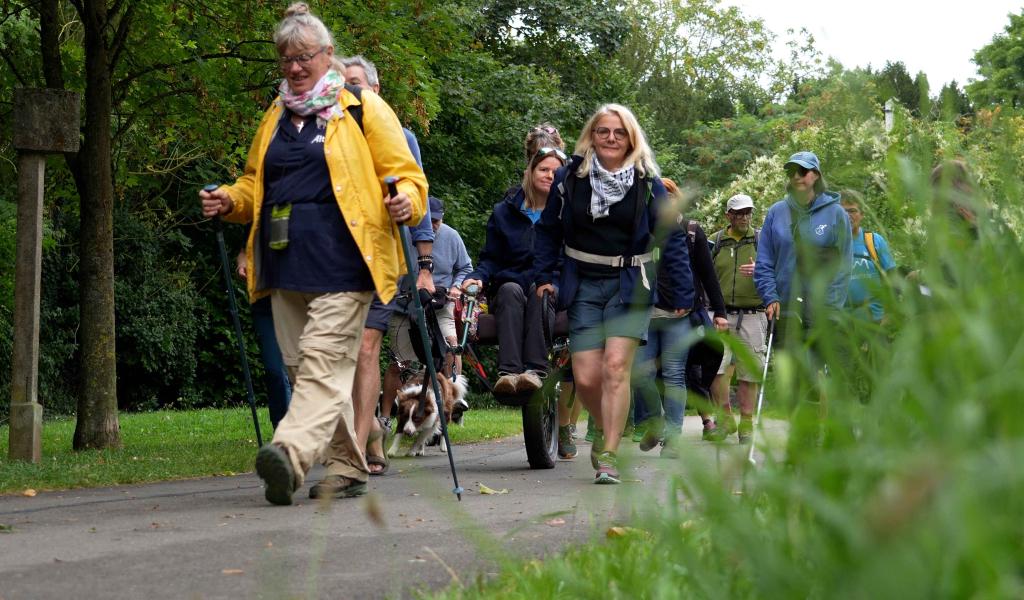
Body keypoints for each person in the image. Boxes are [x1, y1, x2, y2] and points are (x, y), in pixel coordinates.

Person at [199, 3, 428, 505]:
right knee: (303, 368)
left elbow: (409, 176)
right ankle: (348, 466)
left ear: (328, 55)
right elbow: (255, 183)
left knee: (324, 363)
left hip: (346, 262)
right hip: (283, 263)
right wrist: (231, 200)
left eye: (304, 56)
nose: (295, 67)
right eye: (286, 59)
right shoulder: (276, 115)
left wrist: (405, 200)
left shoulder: (362, 107)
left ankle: (290, 454)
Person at [534, 104, 693, 484]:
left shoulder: (647, 180)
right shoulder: (569, 178)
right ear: (591, 135)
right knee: (586, 377)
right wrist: (544, 275)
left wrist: (682, 289)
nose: (610, 138)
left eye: (619, 132)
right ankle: (608, 428)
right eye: (603, 131)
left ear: (630, 138)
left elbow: (668, 237)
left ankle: (608, 453)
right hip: (582, 281)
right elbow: (547, 232)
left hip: (630, 284)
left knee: (616, 367)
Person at [340, 54, 434, 476]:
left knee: (366, 349)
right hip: (333, 259)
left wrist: (425, 263)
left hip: (383, 256)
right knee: (336, 352)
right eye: (341, 83)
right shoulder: (324, 132)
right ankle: (368, 434)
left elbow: (418, 196)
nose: (348, 91)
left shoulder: (398, 133)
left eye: (356, 83)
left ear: (374, 91)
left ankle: (357, 447)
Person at [754, 151, 851, 460]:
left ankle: (818, 447)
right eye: (793, 171)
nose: (798, 176)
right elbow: (765, 262)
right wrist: (770, 296)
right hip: (786, 308)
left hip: (822, 309)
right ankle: (802, 443)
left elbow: (844, 266)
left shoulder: (836, 214)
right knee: (793, 381)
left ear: (816, 176)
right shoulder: (776, 213)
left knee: (821, 379)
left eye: (804, 171)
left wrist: (832, 306)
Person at [461, 125, 567, 398]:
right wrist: (477, 276)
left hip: (550, 287)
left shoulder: (568, 215)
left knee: (539, 290)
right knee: (509, 290)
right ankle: (508, 373)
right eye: (543, 169)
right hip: (511, 286)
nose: (549, 175)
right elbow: (491, 259)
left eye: (555, 172)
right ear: (530, 172)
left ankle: (535, 371)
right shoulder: (504, 212)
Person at [632, 177, 726, 457]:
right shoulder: (642, 230)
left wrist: (719, 312)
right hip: (646, 314)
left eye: (670, 195)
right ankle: (655, 421)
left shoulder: (691, 231)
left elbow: (708, 275)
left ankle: (672, 439)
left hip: (680, 314)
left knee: (674, 375)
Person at [388, 196, 473, 378]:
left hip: (440, 303)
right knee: (401, 362)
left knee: (452, 346)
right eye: (427, 221)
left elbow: (466, 267)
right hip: (404, 305)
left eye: (436, 221)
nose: (432, 225)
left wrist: (457, 286)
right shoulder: (400, 234)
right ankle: (392, 406)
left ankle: (453, 397)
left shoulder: (451, 236)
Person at [709, 193, 767, 444]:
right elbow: (701, 272)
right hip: (719, 315)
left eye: (748, 212)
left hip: (753, 314)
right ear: (728, 215)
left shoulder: (763, 240)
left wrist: (761, 270)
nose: (745, 217)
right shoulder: (716, 241)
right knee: (714, 371)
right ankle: (725, 418)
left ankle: (746, 424)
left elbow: (778, 273)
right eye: (739, 213)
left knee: (749, 373)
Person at [236, 248, 291, 429]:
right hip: (264, 299)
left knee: (306, 371)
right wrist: (242, 260)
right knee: (274, 370)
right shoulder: (256, 218)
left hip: (298, 296)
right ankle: (284, 436)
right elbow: (246, 244)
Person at [841, 190, 897, 323]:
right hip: (842, 320)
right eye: (843, 211)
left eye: (852, 211)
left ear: (862, 214)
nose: (848, 216)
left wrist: (889, 314)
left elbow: (893, 278)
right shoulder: (830, 245)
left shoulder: (874, 241)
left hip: (875, 317)